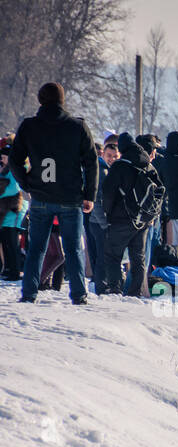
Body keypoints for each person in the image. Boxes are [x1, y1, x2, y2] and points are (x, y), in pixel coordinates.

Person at [9, 82, 98, 304]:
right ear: (62, 100)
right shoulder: (77, 127)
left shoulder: (29, 126)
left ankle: (29, 293)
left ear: (40, 99)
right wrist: (90, 195)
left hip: (40, 196)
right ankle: (79, 294)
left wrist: (27, 184)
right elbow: (91, 163)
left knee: (36, 248)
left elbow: (14, 160)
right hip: (70, 198)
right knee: (73, 247)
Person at [98, 133, 165, 297]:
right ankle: (135, 292)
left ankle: (115, 289)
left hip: (120, 219)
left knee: (113, 255)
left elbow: (108, 192)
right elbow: (160, 192)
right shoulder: (148, 165)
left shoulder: (120, 165)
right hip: (142, 221)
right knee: (138, 258)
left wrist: (108, 213)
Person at [85, 135, 118, 291]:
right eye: (109, 156)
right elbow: (97, 200)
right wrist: (105, 224)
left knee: (101, 255)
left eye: (115, 157)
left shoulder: (107, 170)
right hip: (98, 222)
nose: (111, 159)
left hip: (98, 220)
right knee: (102, 256)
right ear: (103, 154)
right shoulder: (102, 171)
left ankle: (101, 284)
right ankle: (101, 286)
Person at [0, 144, 26, 280]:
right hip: (5, 211)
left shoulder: (15, 169)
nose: (2, 160)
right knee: (6, 241)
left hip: (15, 210)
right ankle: (9, 269)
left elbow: (13, 188)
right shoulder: (5, 170)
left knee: (13, 242)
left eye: (4, 157)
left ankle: (15, 271)